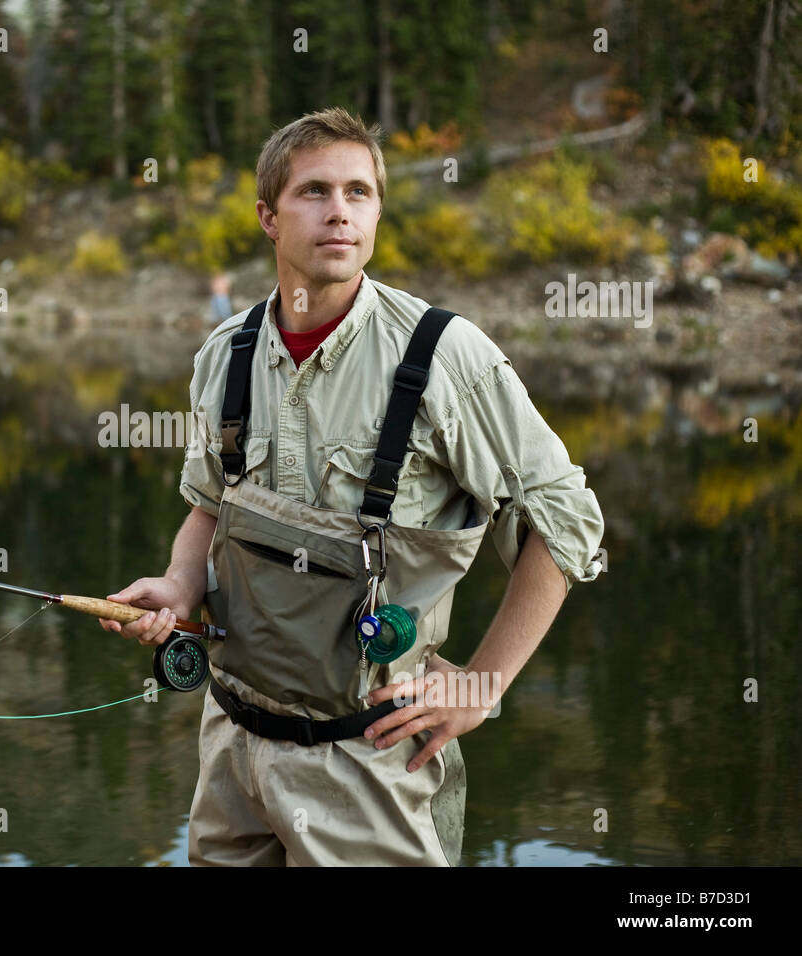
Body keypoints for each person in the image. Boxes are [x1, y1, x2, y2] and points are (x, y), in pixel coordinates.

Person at [99, 106, 605, 866]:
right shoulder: (224, 356)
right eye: (314, 192)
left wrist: (483, 685)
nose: (339, 210)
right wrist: (178, 585)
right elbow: (211, 503)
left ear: (376, 212)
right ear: (269, 217)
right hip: (232, 749)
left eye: (359, 192)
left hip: (371, 760)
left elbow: (566, 522)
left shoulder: (446, 356)